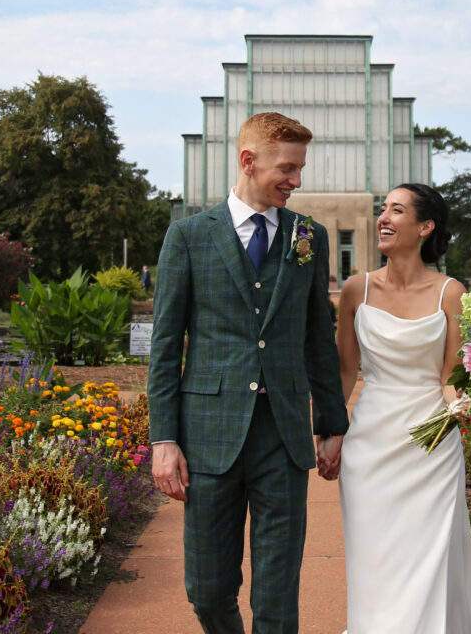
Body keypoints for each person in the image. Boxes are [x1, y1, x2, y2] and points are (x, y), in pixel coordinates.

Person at [148, 111, 350, 634]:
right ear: (248, 161)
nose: (297, 180)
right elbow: (166, 348)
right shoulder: (188, 237)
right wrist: (164, 438)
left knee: (277, 594)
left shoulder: (309, 236)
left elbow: (316, 340)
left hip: (283, 437)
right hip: (209, 436)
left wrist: (332, 424)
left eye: (300, 168)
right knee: (207, 590)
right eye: (287, 168)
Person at [328, 183, 471, 634]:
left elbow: (449, 378)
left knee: (430, 561)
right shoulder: (356, 291)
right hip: (370, 448)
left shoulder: (450, 293)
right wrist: (331, 431)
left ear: (425, 226)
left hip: (431, 447)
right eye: (383, 209)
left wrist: (463, 403)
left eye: (397, 210)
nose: (384, 218)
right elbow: (344, 372)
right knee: (374, 563)